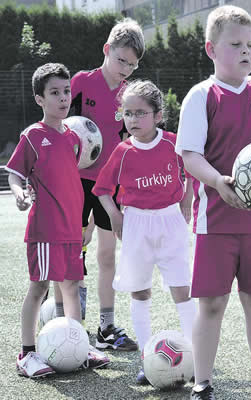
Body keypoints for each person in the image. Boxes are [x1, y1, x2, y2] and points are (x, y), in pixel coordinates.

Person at [176, 5, 251, 400]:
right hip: (216, 219)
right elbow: (189, 155)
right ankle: (202, 383)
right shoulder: (201, 96)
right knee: (211, 304)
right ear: (211, 49)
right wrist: (217, 181)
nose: (246, 51)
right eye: (235, 45)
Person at [6, 63, 110, 378]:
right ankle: (27, 354)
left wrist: (88, 221)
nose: (63, 98)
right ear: (40, 99)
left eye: (66, 91)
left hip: (71, 230)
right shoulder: (33, 136)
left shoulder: (76, 138)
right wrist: (19, 193)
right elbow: (14, 174)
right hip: (45, 229)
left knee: (72, 287)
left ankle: (78, 347)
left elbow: (75, 184)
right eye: (54, 93)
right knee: (39, 288)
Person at [92, 80, 196, 384]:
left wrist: (186, 204)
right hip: (136, 224)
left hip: (170, 222)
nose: (133, 119)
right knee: (140, 290)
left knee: (182, 289)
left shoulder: (173, 144)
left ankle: (195, 357)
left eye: (141, 113)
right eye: (128, 113)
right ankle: (148, 361)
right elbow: (102, 190)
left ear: (158, 115)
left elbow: (191, 172)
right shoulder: (123, 151)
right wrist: (116, 217)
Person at [69, 18, 145, 351]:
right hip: (74, 181)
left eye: (132, 64)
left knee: (108, 254)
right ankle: (68, 323)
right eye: (121, 61)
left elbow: (133, 140)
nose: (126, 69)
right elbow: (57, 126)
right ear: (106, 50)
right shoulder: (81, 83)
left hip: (109, 185)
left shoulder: (131, 96)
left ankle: (106, 326)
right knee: (71, 250)